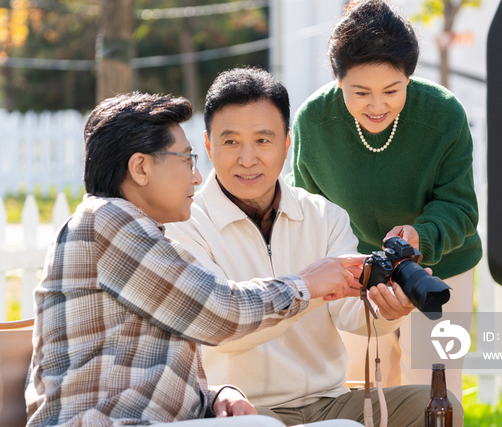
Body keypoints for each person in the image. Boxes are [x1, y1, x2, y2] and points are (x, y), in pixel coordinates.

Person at [24, 92, 368, 427]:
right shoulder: (107, 222)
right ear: (141, 168)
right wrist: (307, 284)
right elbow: (220, 313)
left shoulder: (133, 232)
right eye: (187, 159)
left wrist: (216, 395)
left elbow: (147, 372)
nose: (197, 177)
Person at [166, 67, 463, 427]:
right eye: (231, 142)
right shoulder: (184, 224)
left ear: (287, 143)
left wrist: (387, 311)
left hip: (330, 402)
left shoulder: (323, 215)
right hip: (244, 407)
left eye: (263, 140)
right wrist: (308, 286)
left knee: (435, 404)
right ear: (209, 145)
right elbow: (218, 331)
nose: (247, 159)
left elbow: (352, 312)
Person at [287, 0, 483, 402]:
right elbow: (305, 208)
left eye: (392, 91)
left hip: (438, 269)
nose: (377, 106)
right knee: (365, 389)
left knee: (434, 390)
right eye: (360, 93)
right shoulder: (314, 122)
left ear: (409, 78)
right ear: (338, 80)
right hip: (356, 274)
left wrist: (420, 236)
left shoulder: (443, 114)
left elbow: (461, 208)